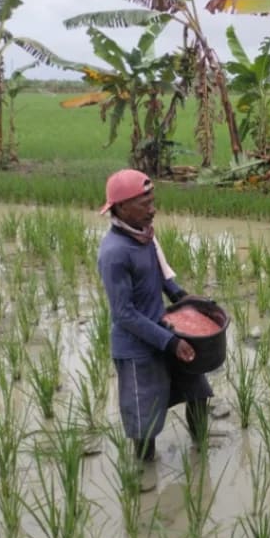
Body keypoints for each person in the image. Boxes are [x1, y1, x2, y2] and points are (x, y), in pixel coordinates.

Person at [96, 169, 213, 491]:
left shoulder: (144, 234)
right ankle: (145, 475)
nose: (152, 209)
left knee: (198, 392)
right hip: (137, 347)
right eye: (143, 203)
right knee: (143, 422)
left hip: (165, 332)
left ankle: (201, 456)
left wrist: (180, 296)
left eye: (152, 201)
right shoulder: (115, 253)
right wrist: (170, 342)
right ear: (119, 208)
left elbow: (159, 275)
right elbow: (123, 314)